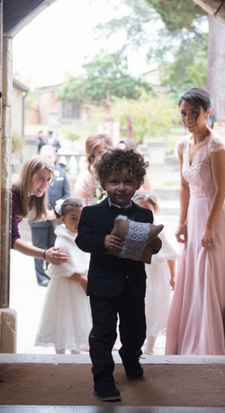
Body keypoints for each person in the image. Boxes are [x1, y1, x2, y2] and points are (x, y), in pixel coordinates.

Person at [76, 148, 162, 402]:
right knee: (103, 332)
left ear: (138, 183)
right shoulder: (91, 213)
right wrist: (102, 241)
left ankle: (130, 355)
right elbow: (82, 240)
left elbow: (150, 243)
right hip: (103, 285)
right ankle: (102, 378)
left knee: (135, 329)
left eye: (128, 182)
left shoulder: (145, 214)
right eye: (114, 182)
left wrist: (154, 246)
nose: (121, 187)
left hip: (133, 283)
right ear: (103, 183)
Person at [165, 87, 225, 356]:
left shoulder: (216, 145)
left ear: (207, 113)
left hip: (213, 216)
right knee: (192, 276)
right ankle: (189, 341)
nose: (188, 119)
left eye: (195, 113)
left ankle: (210, 343)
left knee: (208, 276)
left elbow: (221, 190)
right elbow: (184, 186)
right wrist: (182, 221)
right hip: (193, 213)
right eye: (184, 113)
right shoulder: (182, 144)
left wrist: (208, 226)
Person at [35, 197, 91, 354]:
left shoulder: (79, 237)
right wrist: (82, 280)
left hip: (79, 287)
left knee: (77, 318)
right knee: (63, 317)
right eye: (73, 218)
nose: (78, 223)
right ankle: (60, 354)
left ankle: (76, 351)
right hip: (66, 287)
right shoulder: (63, 241)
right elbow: (61, 267)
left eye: (81, 218)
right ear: (62, 219)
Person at [132, 191, 179, 355]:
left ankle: (150, 347)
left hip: (157, 274)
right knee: (140, 308)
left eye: (146, 208)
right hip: (138, 272)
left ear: (155, 208)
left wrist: (173, 276)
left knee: (155, 307)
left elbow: (171, 254)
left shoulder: (162, 228)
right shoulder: (132, 227)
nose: (143, 213)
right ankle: (135, 344)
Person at [11, 156, 69, 267]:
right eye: (41, 178)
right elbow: (12, 240)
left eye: (48, 179)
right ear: (28, 176)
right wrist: (44, 254)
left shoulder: (33, 194)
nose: (46, 185)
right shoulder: (12, 195)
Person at [29, 146, 70, 286]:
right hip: (38, 217)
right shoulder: (33, 174)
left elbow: (66, 195)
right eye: (44, 156)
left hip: (55, 219)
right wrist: (43, 211)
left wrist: (55, 212)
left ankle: (51, 274)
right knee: (39, 247)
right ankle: (41, 278)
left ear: (55, 157)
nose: (47, 159)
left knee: (54, 246)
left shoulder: (61, 173)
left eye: (50, 157)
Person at [73, 133, 113, 206]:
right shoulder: (85, 180)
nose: (97, 160)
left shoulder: (124, 174)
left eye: (101, 154)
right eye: (92, 156)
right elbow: (80, 211)